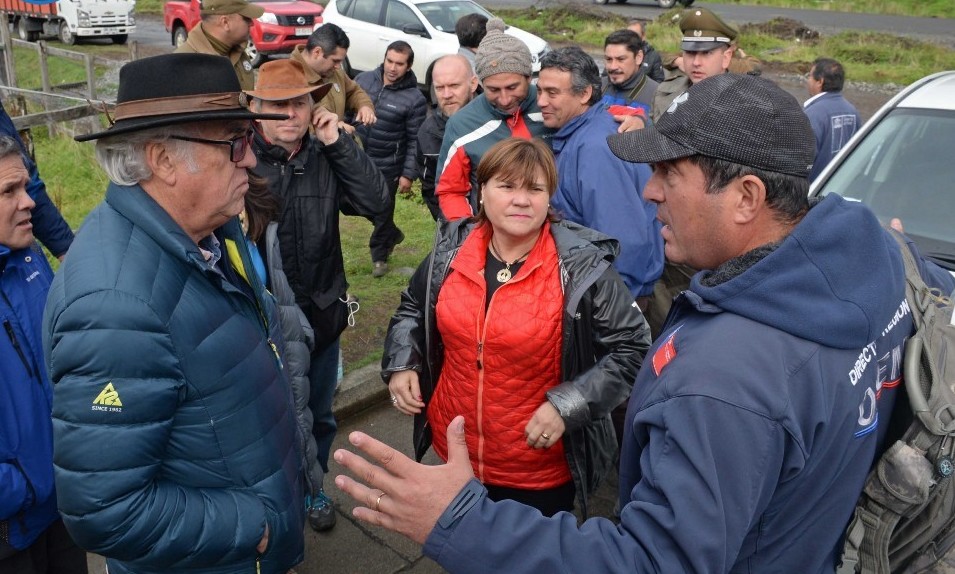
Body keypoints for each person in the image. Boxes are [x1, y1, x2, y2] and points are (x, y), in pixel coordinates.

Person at [333, 74, 955, 572]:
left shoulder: (726, 380)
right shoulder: (882, 256)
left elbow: (653, 560)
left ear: (746, 196)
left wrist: (457, 521)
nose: (649, 192)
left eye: (668, 174)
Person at [45, 53, 305, 574]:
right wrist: (258, 528)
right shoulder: (115, 307)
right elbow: (105, 511)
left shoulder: (205, 230)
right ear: (163, 159)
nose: (251, 160)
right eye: (235, 143)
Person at [382, 137, 649, 518]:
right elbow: (413, 306)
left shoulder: (581, 268)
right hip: (454, 450)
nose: (521, 200)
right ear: (482, 191)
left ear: (548, 198)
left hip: (537, 468)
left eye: (535, 189)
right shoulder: (449, 251)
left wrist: (569, 405)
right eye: (506, 186)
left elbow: (633, 347)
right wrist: (402, 361)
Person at [246, 58, 389, 533]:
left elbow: (375, 204)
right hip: (260, 322)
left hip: (323, 311)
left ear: (315, 106)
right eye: (277, 105)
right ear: (257, 109)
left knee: (320, 414)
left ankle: (313, 487)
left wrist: (339, 143)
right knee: (267, 421)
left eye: (300, 102)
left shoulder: (327, 152)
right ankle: (275, 497)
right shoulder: (240, 159)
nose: (290, 114)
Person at [0, 136, 86, 574]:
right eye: (9, 192)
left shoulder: (30, 261)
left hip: (61, 503)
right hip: (9, 527)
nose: (29, 202)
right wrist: (22, 486)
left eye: (28, 187)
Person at [540, 47, 660, 310]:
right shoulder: (583, 133)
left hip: (615, 299)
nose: (541, 101)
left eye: (552, 93)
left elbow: (623, 242)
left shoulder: (596, 149)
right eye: (540, 91)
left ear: (584, 94)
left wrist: (610, 310)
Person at [435, 18, 552, 220]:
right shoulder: (462, 124)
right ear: (480, 84)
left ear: (528, 77)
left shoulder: (552, 105)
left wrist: (627, 116)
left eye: (512, 87)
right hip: (493, 236)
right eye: (493, 90)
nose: (505, 99)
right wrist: (469, 232)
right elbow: (450, 191)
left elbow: (592, 115)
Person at [355, 41, 426, 277]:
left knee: (384, 210)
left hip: (389, 165)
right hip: (357, 158)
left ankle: (379, 257)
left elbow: (416, 139)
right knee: (350, 203)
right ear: (384, 58)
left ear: (409, 66)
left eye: (399, 64)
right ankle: (392, 233)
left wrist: (408, 174)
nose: (392, 68)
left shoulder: (415, 98)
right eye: (390, 61)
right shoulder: (363, 80)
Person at [0, 99, 74, 259]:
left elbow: (26, 181)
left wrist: (67, 250)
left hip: (26, 259)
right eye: (9, 190)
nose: (29, 202)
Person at [652, 7, 744, 123]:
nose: (696, 62)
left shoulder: (745, 101)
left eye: (706, 53)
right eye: (690, 53)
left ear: (726, 57)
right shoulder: (664, 91)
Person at [416, 54, 478, 221]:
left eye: (454, 85)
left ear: (473, 83)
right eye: (439, 88)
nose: (446, 94)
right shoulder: (427, 133)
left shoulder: (495, 122)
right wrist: (447, 222)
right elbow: (429, 187)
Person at [290, 23, 376, 134]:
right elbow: (289, 124)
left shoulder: (334, 71)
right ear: (317, 52)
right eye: (335, 61)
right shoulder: (288, 77)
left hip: (337, 146)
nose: (338, 66)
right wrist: (332, 128)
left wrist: (364, 106)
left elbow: (353, 91)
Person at [174, 0, 262, 90]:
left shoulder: (237, 50)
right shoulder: (182, 64)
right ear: (225, 23)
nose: (252, 23)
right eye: (246, 18)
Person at [804, 57, 861, 182]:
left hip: (814, 192)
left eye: (809, 76)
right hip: (842, 186)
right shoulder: (852, 111)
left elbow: (802, 160)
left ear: (820, 81)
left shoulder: (813, 114)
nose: (808, 81)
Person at [601, 30, 658, 130]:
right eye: (609, 59)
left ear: (638, 57)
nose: (613, 66)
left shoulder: (658, 95)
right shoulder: (595, 87)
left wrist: (643, 123)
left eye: (621, 59)